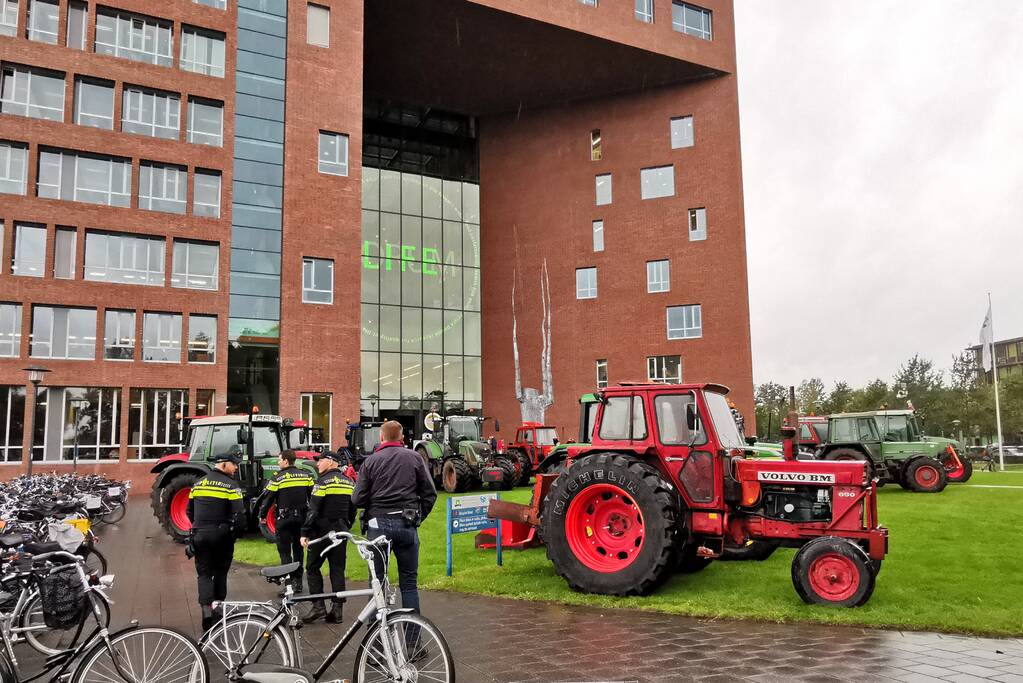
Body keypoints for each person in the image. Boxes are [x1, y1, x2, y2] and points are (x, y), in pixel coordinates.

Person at [352, 420, 437, 617]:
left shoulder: (371, 461)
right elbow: (430, 494)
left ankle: (378, 639)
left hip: (378, 525)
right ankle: (413, 641)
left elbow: (357, 499)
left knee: (377, 582)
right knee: (409, 583)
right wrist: (418, 517)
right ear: (402, 438)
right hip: (406, 523)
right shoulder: (415, 458)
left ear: (381, 437)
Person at [186, 453, 246, 632]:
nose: (236, 468)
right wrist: (236, 534)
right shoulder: (230, 485)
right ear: (224, 464)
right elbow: (240, 515)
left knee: (203, 574)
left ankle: (206, 611)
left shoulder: (198, 483)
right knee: (220, 572)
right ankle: (217, 610)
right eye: (234, 464)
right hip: (221, 535)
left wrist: (198, 528)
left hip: (199, 535)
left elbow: (190, 511)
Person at [300, 451, 356, 623]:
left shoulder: (322, 482)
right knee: (337, 569)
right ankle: (337, 611)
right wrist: (346, 525)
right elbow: (353, 509)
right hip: (340, 531)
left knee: (312, 568)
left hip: (321, 532)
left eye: (320, 461)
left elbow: (313, 510)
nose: (317, 464)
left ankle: (318, 607)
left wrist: (304, 532)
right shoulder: (349, 482)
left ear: (331, 462)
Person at [258, 450, 314, 593]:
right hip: (301, 519)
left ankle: (288, 586)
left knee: (284, 553)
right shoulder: (306, 475)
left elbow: (268, 498)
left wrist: (262, 515)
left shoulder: (278, 478)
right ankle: (298, 583)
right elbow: (312, 497)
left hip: (284, 520)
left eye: (279, 460)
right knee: (298, 551)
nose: (278, 462)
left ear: (286, 461)